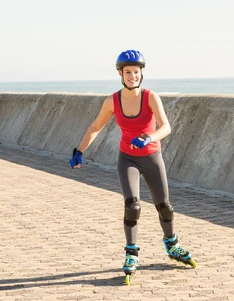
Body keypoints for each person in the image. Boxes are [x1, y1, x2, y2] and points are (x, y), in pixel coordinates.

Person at [69, 49, 196, 285]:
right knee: (132, 206)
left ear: (141, 73)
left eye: (136, 72)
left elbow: (166, 127)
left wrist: (150, 138)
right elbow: (96, 126)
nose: (133, 76)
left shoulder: (150, 97)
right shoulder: (112, 101)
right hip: (127, 158)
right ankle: (131, 253)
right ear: (120, 73)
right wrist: (79, 151)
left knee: (165, 207)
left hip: (152, 157)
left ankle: (172, 245)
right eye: (128, 72)